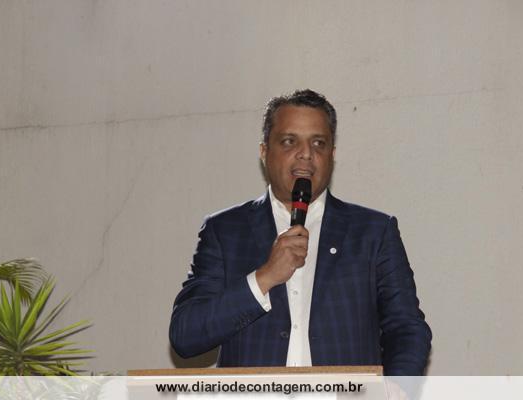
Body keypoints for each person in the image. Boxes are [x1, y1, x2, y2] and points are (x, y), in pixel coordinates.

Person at [169, 89, 431, 375]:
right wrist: (264, 277)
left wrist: (396, 388)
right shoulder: (225, 231)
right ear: (264, 152)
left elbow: (407, 330)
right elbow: (186, 335)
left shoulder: (373, 233)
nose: (306, 154)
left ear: (332, 154)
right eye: (289, 141)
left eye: (318, 143)